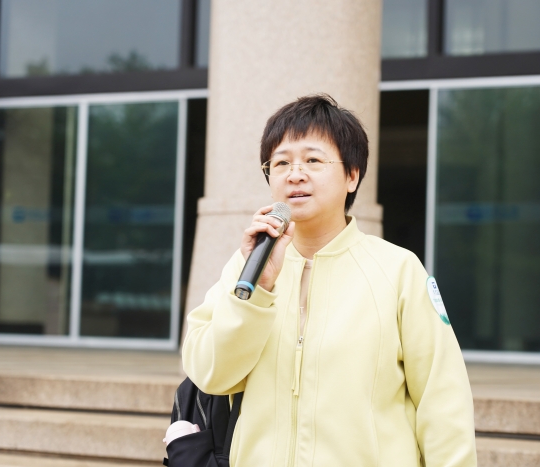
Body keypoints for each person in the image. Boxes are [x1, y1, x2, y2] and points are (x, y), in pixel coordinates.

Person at [182, 94, 477, 466]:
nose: (295, 174)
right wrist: (258, 293)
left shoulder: (398, 270)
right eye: (281, 163)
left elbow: (443, 401)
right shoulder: (247, 267)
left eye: (313, 160)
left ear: (352, 176)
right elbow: (211, 375)